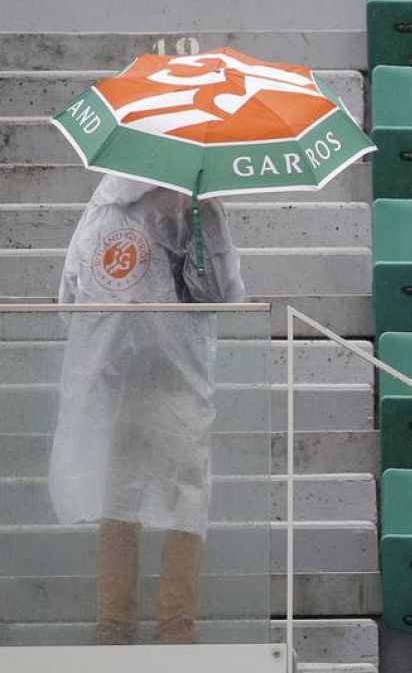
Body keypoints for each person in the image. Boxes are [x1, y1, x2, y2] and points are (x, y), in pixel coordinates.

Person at [49, 176, 246, 646]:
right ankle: (175, 628)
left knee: (119, 499)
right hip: (175, 376)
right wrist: (204, 220)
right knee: (186, 498)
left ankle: (113, 623)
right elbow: (216, 292)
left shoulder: (101, 205)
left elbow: (70, 295)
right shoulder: (189, 202)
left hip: (113, 378)